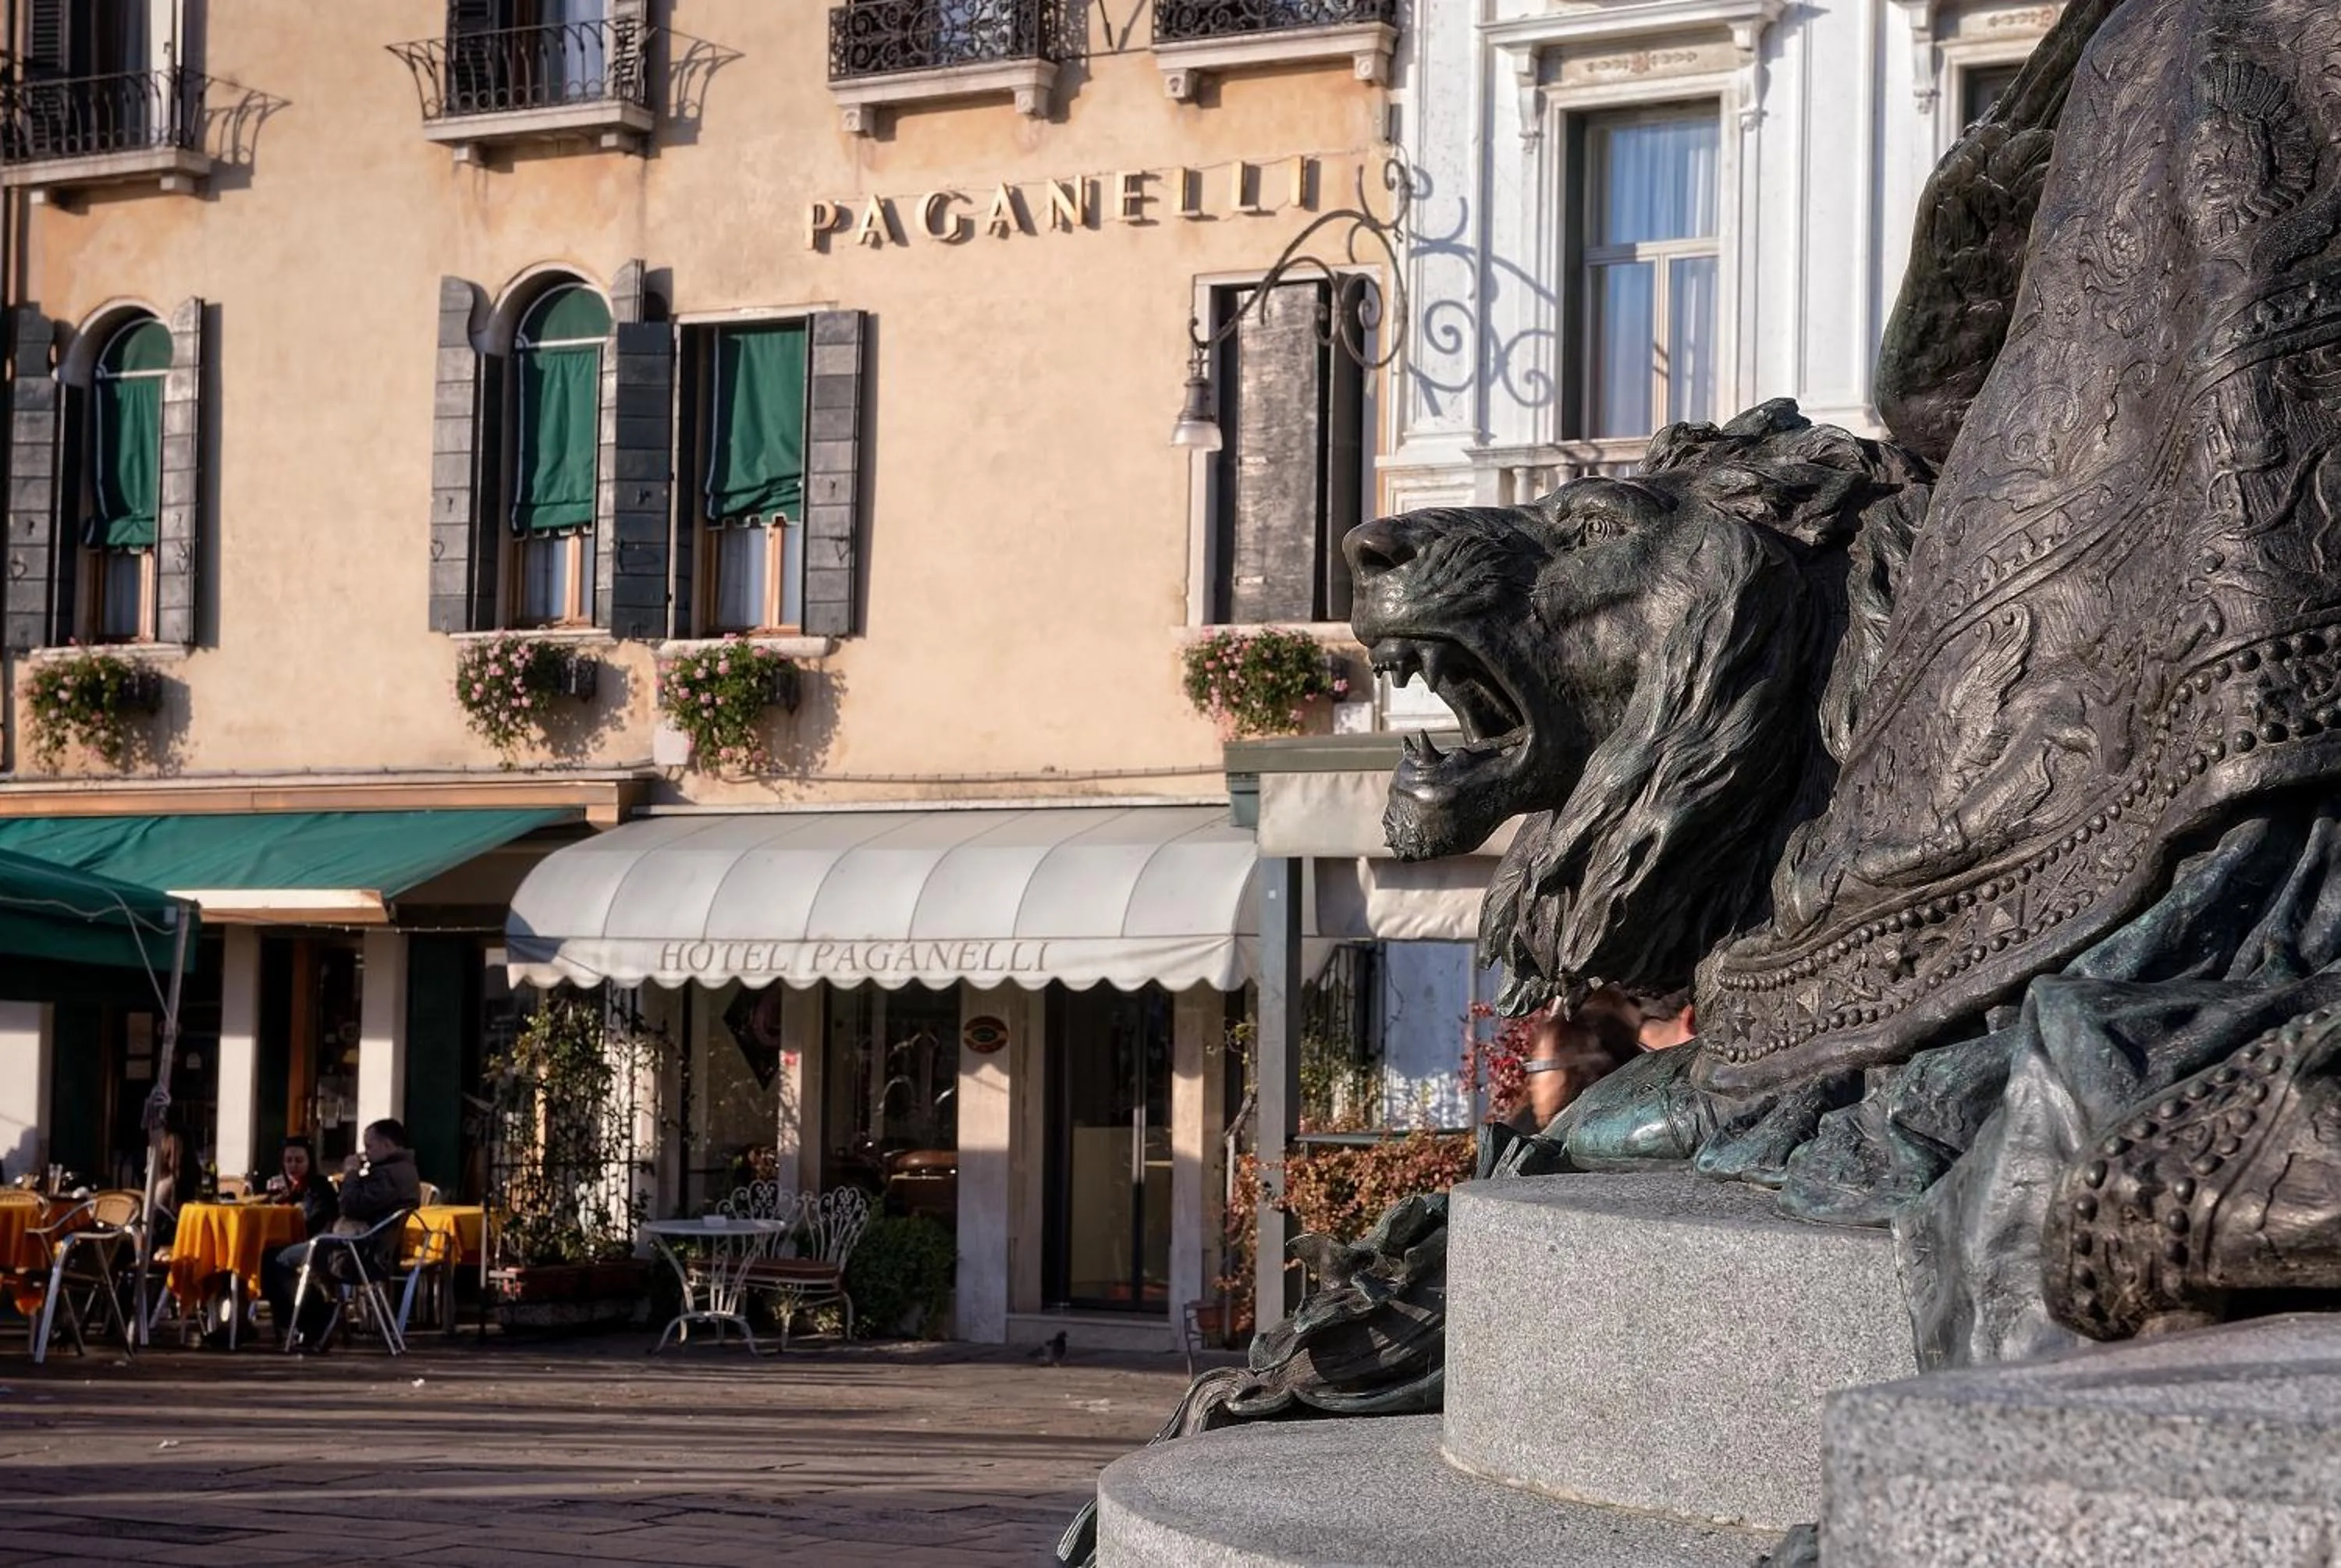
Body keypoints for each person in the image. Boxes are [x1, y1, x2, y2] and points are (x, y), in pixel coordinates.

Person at [262, 1119, 421, 1349]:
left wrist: (351, 1173)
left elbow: (349, 1206)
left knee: (273, 1259)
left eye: (370, 1146)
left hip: (354, 1254)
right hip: (365, 1249)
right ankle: (314, 1318)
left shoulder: (389, 1176)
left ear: (387, 1145)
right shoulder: (402, 1172)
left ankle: (313, 1319)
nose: (365, 1153)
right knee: (283, 1256)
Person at [266, 1136, 339, 1239]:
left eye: (299, 1160)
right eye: (288, 1160)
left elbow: (313, 1223)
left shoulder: (320, 1188)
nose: (293, 1165)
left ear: (309, 1162)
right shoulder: (279, 1186)